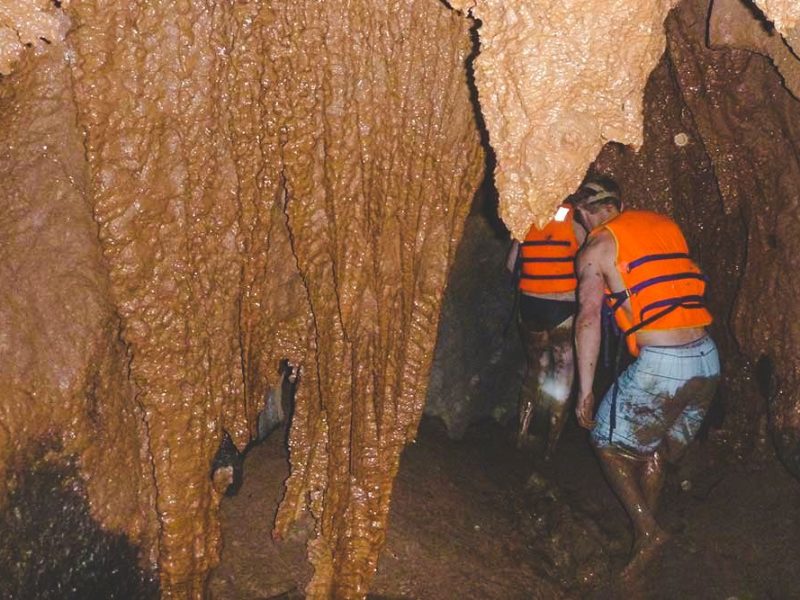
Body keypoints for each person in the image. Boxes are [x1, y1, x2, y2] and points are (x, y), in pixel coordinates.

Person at [571, 176, 720, 579]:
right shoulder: (665, 224)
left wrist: (585, 390)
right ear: (618, 204)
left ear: (583, 212)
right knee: (652, 448)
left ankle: (648, 532)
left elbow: (588, 320)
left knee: (605, 443)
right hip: (707, 359)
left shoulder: (596, 247)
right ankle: (643, 545)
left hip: (664, 365)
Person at [509, 201, 585, 457]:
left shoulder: (526, 219)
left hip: (530, 306)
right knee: (564, 373)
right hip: (562, 306)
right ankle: (550, 448)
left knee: (535, 369)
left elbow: (511, 264)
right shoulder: (573, 222)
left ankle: (521, 434)